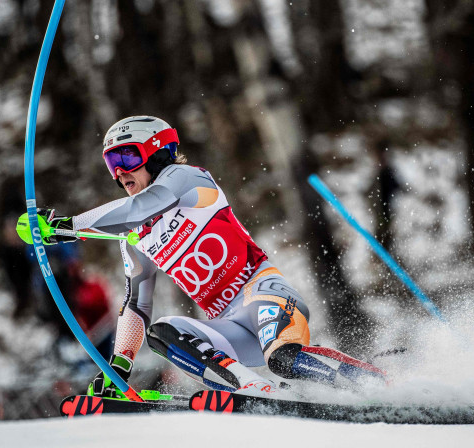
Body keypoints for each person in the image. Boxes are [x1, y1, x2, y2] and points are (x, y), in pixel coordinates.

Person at [24, 116, 385, 398]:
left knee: (284, 359)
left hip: (266, 298)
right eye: (111, 162)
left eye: (127, 156)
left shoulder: (188, 179)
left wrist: (64, 225)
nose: (119, 171)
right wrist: (117, 368)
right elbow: (136, 305)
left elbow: (142, 206)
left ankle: (372, 381)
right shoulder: (135, 236)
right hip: (230, 328)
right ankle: (247, 385)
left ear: (157, 151)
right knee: (163, 331)